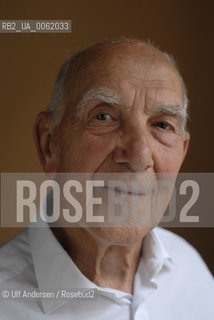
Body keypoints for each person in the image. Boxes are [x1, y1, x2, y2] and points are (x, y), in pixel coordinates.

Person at [0, 38, 213, 319]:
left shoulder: (192, 274)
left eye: (163, 125)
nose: (139, 155)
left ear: (182, 152)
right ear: (50, 143)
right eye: (103, 116)